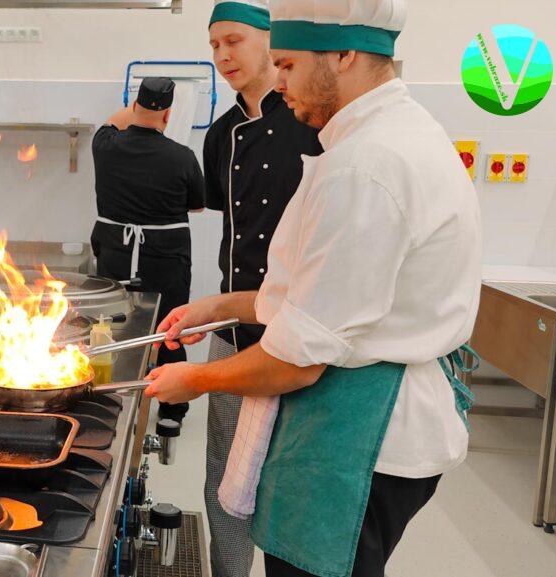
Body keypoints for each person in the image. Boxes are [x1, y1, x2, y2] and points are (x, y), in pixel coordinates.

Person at [145, 0, 482, 576]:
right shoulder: (391, 133)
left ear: (345, 55)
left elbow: (297, 358)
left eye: (288, 65)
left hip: (359, 437)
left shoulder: (365, 165)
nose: (280, 83)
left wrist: (193, 380)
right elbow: (313, 292)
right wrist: (218, 306)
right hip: (359, 422)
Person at [201, 3, 322, 577]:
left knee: (291, 486)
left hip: (301, 336)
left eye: (234, 40)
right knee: (224, 482)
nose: (223, 55)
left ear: (269, 41)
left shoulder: (314, 122)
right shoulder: (220, 135)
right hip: (233, 331)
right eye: (214, 46)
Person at [90, 76, 206, 421]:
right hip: (165, 259)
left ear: (134, 105)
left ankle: (110, 401)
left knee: (114, 325)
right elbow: (198, 206)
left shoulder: (104, 145)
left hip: (115, 253)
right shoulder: (182, 157)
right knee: (169, 330)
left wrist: (138, 107)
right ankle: (172, 410)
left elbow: (113, 121)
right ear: (168, 116)